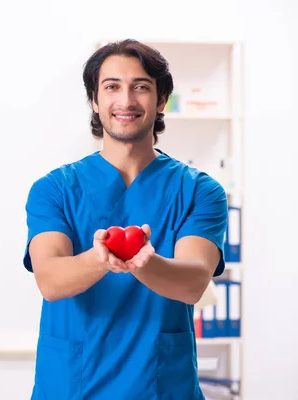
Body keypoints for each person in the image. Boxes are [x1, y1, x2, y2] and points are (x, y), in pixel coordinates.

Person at [23, 39, 228, 399]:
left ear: (161, 100)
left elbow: (194, 281)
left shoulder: (200, 191)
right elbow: (51, 280)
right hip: (73, 386)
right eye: (112, 86)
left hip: (162, 386)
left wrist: (142, 262)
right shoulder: (54, 189)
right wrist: (101, 257)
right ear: (95, 99)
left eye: (142, 87)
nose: (126, 100)